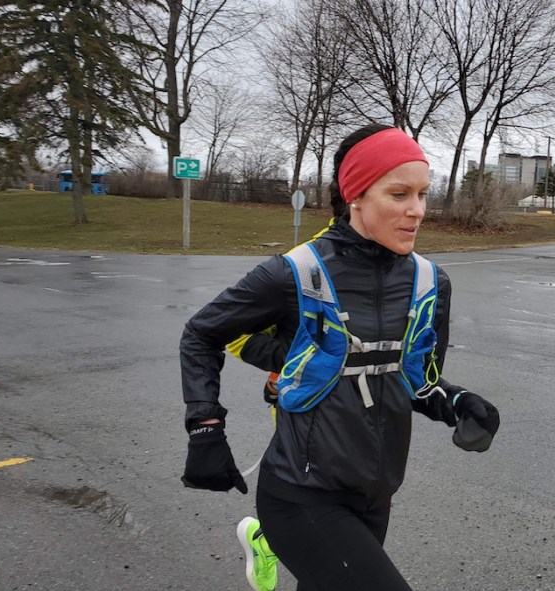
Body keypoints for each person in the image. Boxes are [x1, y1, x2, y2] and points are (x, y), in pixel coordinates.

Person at [180, 124, 501, 591]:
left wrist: (458, 403)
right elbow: (201, 333)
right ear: (356, 195)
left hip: (376, 493)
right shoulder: (294, 272)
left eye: (423, 194)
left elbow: (414, 380)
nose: (417, 211)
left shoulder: (431, 282)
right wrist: (205, 428)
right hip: (301, 493)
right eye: (399, 194)